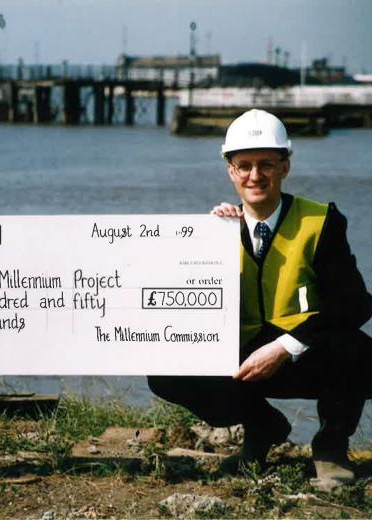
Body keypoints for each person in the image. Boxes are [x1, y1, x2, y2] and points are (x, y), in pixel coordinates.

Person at [148, 109, 372, 491]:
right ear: (230, 170)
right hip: (242, 359)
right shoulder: (212, 231)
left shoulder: (321, 222)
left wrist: (285, 346)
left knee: (357, 350)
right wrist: (205, 248)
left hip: (304, 354)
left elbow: (355, 304)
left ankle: (331, 447)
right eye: (245, 166)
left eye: (267, 164)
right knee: (165, 369)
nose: (256, 176)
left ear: (285, 166)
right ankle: (262, 427)